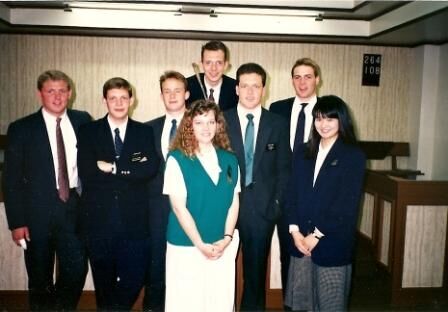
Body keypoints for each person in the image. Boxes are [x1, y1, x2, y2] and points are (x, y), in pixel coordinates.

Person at [2, 70, 90, 310]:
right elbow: (11, 179)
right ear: (40, 93)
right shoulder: (21, 128)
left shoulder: (84, 121)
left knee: (76, 269)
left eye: (62, 90)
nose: (57, 96)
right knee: (39, 276)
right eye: (51, 91)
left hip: (73, 208)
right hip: (36, 214)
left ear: (70, 93)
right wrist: (17, 222)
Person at [77, 77, 160, 310]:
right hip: (99, 223)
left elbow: (149, 168)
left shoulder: (144, 132)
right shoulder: (88, 132)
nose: (119, 103)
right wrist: (131, 169)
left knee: (134, 279)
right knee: (103, 286)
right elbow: (87, 170)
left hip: (134, 223)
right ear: (105, 101)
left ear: (131, 100)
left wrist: (113, 167)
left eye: (124, 97)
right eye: (113, 98)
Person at [284, 95, 366, 311]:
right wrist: (294, 231)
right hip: (301, 240)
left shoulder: (353, 156)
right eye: (319, 119)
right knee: (302, 303)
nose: (323, 124)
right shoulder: (303, 151)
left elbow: (346, 205)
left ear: (341, 121)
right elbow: (291, 192)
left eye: (330, 119)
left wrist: (317, 235)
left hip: (332, 241)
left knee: (330, 303)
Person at [224, 63, 291, 311]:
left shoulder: (278, 123)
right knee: (220, 271)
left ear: (264, 89)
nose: (250, 92)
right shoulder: (222, 119)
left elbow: (285, 168)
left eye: (256, 86)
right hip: (225, 207)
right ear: (236, 89)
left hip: (262, 211)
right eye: (245, 86)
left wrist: (275, 205)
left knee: (254, 276)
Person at [163, 100, 240, 312]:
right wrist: (200, 244)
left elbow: (233, 202)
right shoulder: (176, 159)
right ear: (189, 126)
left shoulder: (230, 159)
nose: (206, 128)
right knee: (187, 303)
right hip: (187, 245)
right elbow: (179, 208)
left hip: (221, 244)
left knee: (219, 302)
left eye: (210, 122)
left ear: (218, 125)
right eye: (199, 122)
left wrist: (227, 239)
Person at [269, 57, 322, 295]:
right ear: (292, 80)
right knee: (288, 255)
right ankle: (290, 304)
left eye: (308, 76)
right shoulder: (278, 109)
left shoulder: (327, 111)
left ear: (317, 80)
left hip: (316, 196)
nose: (302, 82)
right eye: (297, 77)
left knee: (317, 256)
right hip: (285, 197)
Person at [143, 70, 189, 312]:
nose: (172, 95)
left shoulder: (200, 126)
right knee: (156, 266)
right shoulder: (147, 129)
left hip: (190, 207)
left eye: (177, 90)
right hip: (156, 210)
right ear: (161, 95)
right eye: (167, 91)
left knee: (185, 267)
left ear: (186, 93)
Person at [186, 40, 238, 110]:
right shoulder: (187, 86)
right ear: (201, 64)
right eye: (208, 63)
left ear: (226, 65)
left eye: (219, 63)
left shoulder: (236, 89)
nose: (214, 68)